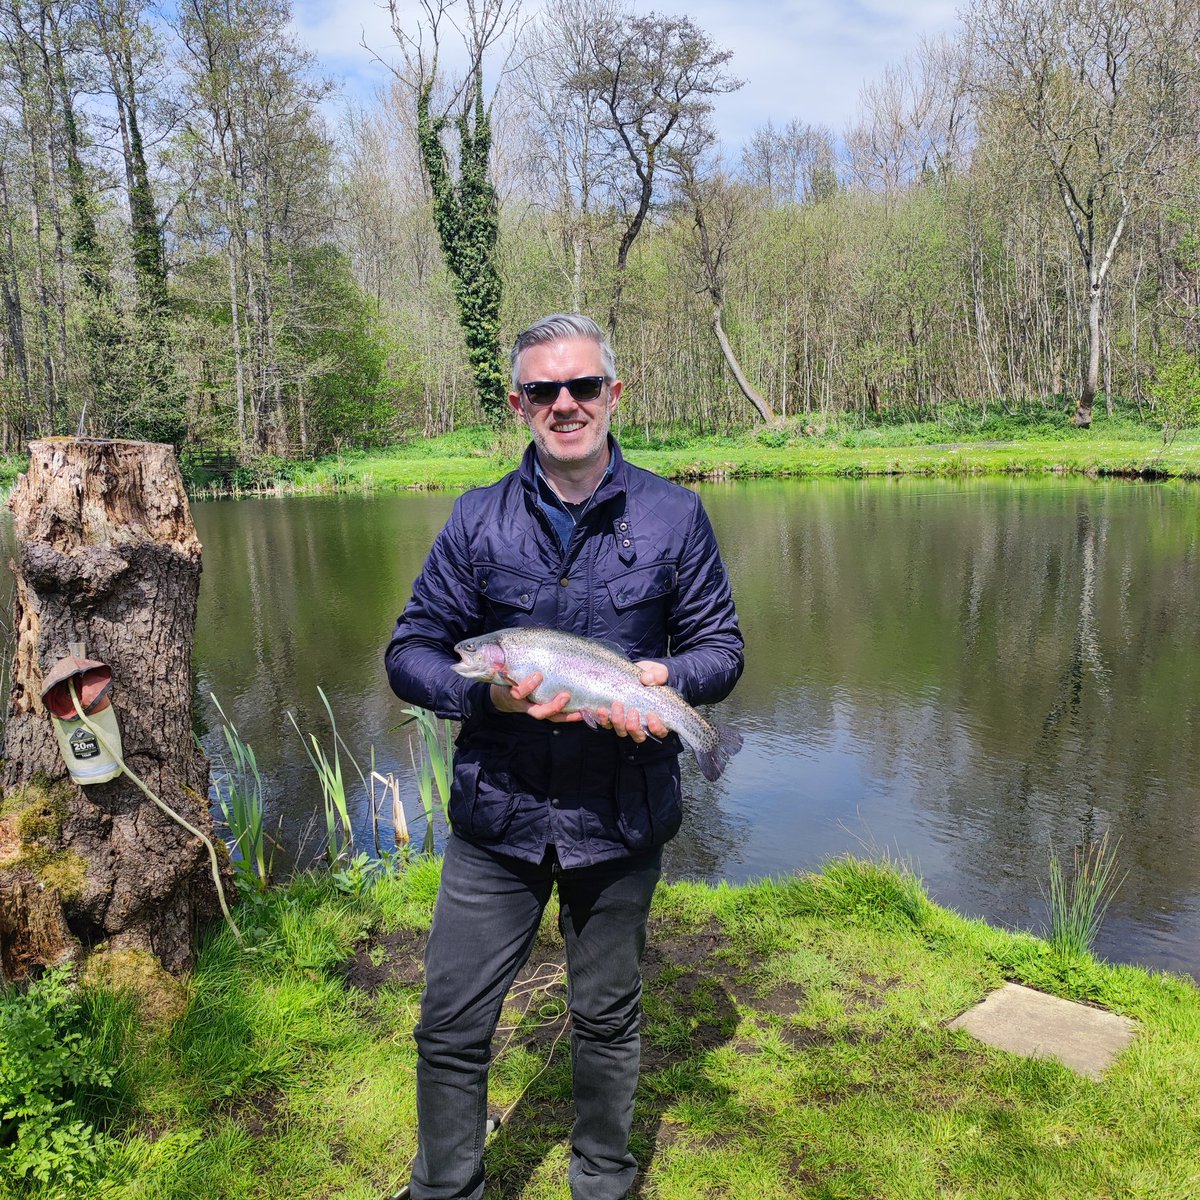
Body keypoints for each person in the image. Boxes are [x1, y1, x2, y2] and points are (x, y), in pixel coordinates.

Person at [385, 313, 743, 1200]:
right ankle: (445, 1190)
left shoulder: (674, 515)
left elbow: (721, 650)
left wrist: (665, 680)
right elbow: (412, 650)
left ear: (614, 395)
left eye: (584, 385)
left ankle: (604, 1181)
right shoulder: (476, 521)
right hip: (496, 815)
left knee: (608, 1017)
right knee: (452, 1022)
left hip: (620, 818)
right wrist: (485, 693)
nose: (566, 403)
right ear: (520, 405)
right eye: (544, 390)